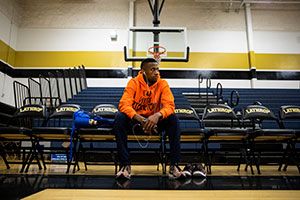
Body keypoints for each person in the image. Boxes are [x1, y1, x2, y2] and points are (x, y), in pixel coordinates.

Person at [114, 58, 186, 180]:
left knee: (173, 118)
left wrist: (158, 115)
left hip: (155, 123)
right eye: (153, 69)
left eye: (157, 69)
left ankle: (174, 165)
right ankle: (125, 165)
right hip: (136, 123)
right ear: (143, 72)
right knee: (119, 117)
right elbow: (124, 104)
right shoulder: (134, 83)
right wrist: (138, 118)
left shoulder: (163, 84)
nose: (156, 72)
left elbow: (170, 106)